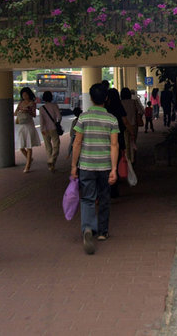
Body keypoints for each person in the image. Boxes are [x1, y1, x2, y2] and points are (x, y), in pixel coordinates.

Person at [70, 83, 119, 255]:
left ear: (91, 98)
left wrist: (73, 166)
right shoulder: (112, 119)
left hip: (86, 166)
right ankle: (103, 232)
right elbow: (114, 144)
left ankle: (88, 228)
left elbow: (77, 142)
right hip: (105, 166)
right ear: (106, 98)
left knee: (88, 199)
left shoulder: (83, 118)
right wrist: (114, 169)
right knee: (104, 197)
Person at [14, 87, 41, 173]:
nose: (24, 96)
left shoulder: (32, 103)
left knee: (29, 146)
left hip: (29, 124)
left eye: (26, 94)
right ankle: (30, 159)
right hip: (22, 125)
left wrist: (28, 111)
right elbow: (15, 113)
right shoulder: (20, 103)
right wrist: (21, 110)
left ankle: (28, 165)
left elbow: (34, 115)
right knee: (21, 147)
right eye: (23, 94)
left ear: (29, 95)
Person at [39, 91, 62, 172]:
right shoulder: (54, 106)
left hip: (45, 130)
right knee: (56, 145)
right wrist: (57, 123)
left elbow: (41, 121)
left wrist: (42, 129)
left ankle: (50, 165)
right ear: (51, 97)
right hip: (53, 128)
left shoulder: (41, 108)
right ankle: (52, 160)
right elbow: (59, 116)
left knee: (48, 147)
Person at [120, 87, 139, 163]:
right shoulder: (134, 102)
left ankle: (127, 159)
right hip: (133, 125)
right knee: (133, 142)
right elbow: (141, 111)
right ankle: (133, 159)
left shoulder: (120, 103)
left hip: (124, 125)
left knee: (126, 143)